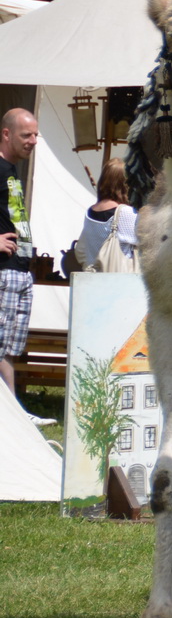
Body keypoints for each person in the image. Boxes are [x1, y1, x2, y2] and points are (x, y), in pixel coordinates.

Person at [0, 109, 47, 421]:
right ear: (6, 134)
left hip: (19, 272)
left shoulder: (12, 170)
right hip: (3, 272)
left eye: (35, 135)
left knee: (7, 351)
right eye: (25, 135)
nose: (33, 141)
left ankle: (14, 416)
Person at [76, 157, 139, 272]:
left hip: (92, 278)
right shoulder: (126, 213)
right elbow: (146, 243)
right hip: (118, 280)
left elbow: (81, 250)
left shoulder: (89, 212)